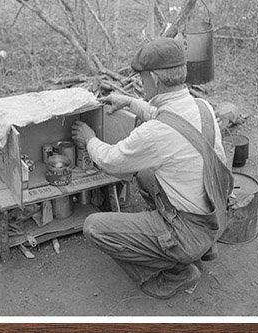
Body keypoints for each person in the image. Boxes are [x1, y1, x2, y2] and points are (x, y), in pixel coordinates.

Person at [71, 38, 233, 299]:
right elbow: (168, 117)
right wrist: (129, 102)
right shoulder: (203, 108)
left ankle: (174, 273)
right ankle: (204, 248)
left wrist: (89, 139)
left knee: (94, 227)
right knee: (147, 174)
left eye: (143, 77)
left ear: (155, 79)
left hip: (185, 231)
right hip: (214, 218)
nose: (142, 82)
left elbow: (111, 160)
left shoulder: (155, 133)